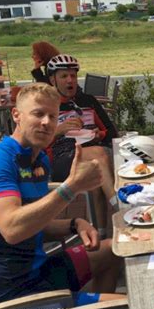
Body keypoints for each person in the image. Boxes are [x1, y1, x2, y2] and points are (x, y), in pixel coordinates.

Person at [0, 83, 129, 309]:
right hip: (12, 298)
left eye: (52, 116)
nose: (46, 122)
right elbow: (12, 228)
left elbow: (33, 222)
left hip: (39, 271)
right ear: (16, 115)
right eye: (37, 114)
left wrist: (74, 225)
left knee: (113, 249)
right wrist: (70, 188)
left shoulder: (37, 160)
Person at [46, 55, 118, 238]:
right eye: (64, 76)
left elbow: (111, 132)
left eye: (73, 75)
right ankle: (118, 205)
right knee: (99, 155)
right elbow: (35, 143)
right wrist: (58, 130)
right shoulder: (47, 106)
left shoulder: (88, 101)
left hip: (90, 156)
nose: (70, 80)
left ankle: (101, 234)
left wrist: (98, 134)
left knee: (95, 174)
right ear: (53, 79)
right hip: (61, 159)